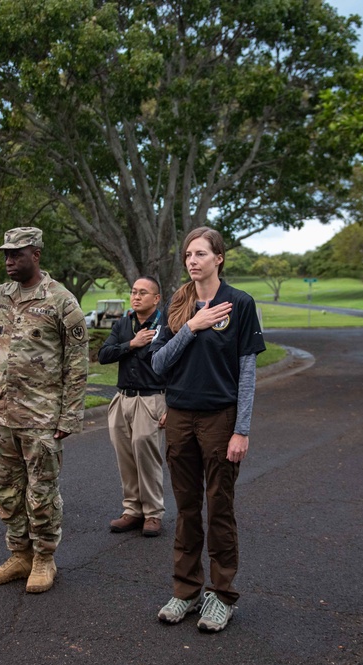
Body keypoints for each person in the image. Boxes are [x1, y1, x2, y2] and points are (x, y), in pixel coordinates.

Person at [0, 227, 88, 594]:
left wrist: (69, 416)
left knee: (40, 493)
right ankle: (19, 555)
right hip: (3, 414)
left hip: (42, 417)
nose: (9, 260)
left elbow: (77, 365)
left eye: (17, 254)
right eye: (5, 254)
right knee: (7, 492)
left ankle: (44, 558)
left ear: (36, 254)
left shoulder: (61, 301)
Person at [150, 226, 266, 633]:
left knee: (219, 506)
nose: (192, 261)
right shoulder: (179, 303)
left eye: (200, 254)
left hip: (221, 418)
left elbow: (247, 373)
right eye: (187, 255)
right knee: (185, 509)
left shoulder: (240, 304)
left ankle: (222, 595)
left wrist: (242, 429)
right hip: (180, 416)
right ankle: (186, 591)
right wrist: (192, 326)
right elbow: (158, 364)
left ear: (219, 258)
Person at [98, 276, 168, 538]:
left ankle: (152, 513)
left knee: (147, 455)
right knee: (125, 456)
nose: (136, 296)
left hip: (151, 399)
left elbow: (176, 365)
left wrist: (169, 405)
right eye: (133, 292)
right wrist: (132, 344)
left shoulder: (166, 325)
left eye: (143, 292)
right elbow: (103, 355)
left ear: (156, 298)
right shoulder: (123, 324)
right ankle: (132, 510)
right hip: (122, 399)